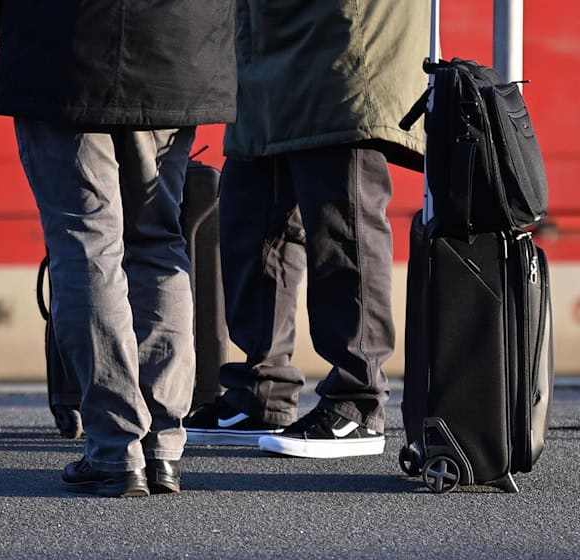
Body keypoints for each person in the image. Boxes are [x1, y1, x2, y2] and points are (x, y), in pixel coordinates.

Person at [0, 1, 237, 495]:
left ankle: (117, 449)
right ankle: (162, 448)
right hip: (178, 46)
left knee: (87, 242)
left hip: (62, 44)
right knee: (159, 240)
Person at [184, 0, 429, 458]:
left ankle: (358, 400)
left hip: (340, 35)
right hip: (264, 39)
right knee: (249, 215)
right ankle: (262, 392)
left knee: (341, 218)